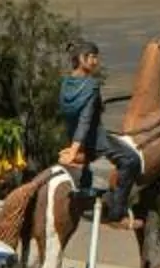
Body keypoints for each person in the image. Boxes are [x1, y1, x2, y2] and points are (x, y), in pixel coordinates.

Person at [58, 41, 142, 226]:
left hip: (71, 136)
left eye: (96, 57)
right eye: (92, 57)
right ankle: (116, 214)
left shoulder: (66, 84)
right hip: (95, 140)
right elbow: (86, 120)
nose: (96, 61)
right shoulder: (91, 86)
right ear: (81, 59)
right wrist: (75, 149)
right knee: (131, 159)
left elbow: (69, 114)